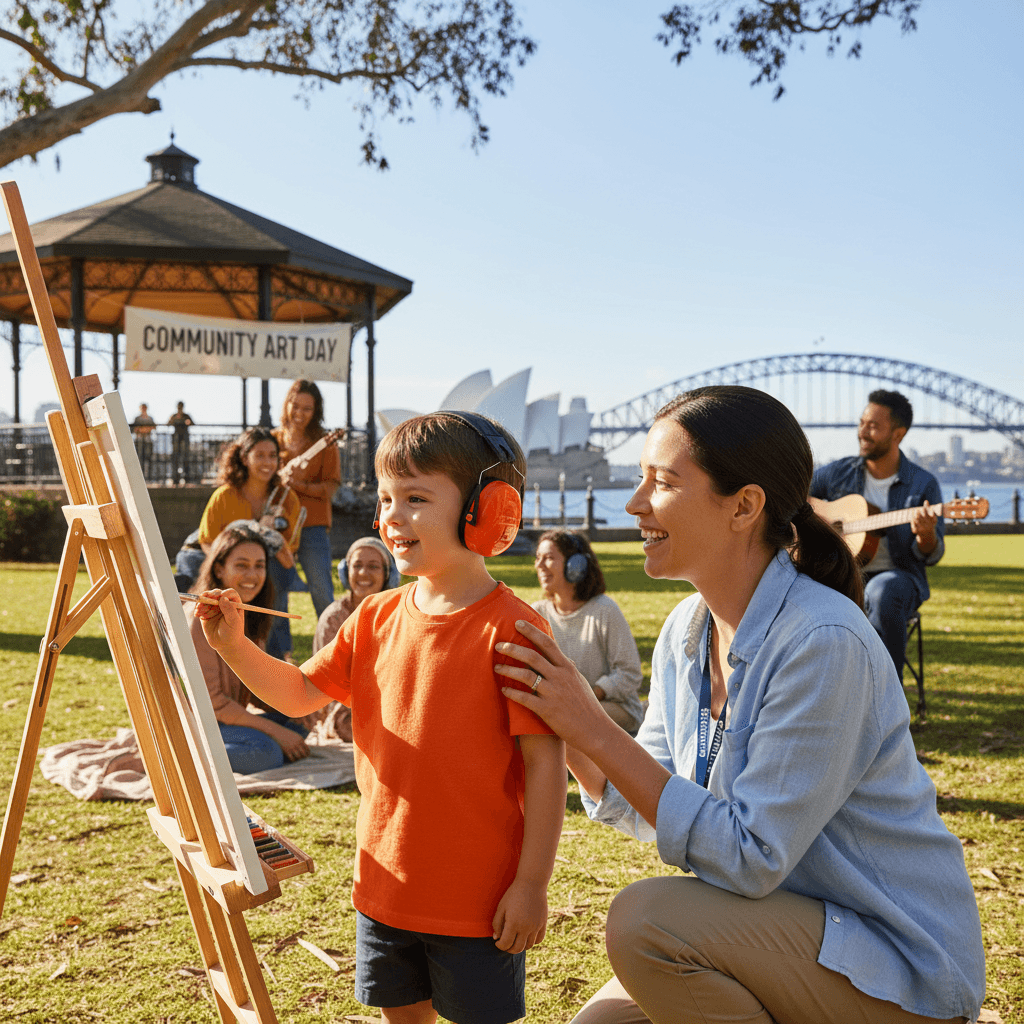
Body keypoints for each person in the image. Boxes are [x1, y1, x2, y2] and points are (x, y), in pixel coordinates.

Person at [495, 385, 984, 1024]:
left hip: (898, 965)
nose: (635, 503)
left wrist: (590, 721)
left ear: (745, 504)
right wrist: (557, 716)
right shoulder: (687, 629)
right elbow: (648, 799)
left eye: (662, 482)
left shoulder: (821, 640)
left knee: (644, 923)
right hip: (786, 932)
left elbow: (751, 856)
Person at [194, 411, 567, 1024]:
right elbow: (297, 695)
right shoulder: (369, 618)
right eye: (386, 497)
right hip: (383, 886)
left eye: (416, 497)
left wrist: (531, 886)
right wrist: (234, 645)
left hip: (482, 901)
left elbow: (546, 769)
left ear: (489, 509)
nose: (391, 515)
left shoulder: (516, 629)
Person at [810, 389, 943, 680]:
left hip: (899, 577)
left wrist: (925, 535)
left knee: (882, 592)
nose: (863, 432)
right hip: (840, 573)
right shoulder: (838, 473)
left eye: (873, 426)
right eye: (862, 423)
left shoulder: (923, 484)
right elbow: (795, 499)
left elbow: (932, 553)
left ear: (898, 434)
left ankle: (885, 695)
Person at [189, 522, 310, 772]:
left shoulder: (246, 613)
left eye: (259, 566)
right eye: (241, 565)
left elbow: (252, 684)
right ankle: (182, 761)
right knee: (267, 752)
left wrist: (293, 704)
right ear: (220, 569)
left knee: (298, 723)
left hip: (227, 722)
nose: (252, 576)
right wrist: (276, 732)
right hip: (197, 725)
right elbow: (212, 704)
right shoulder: (200, 617)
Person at [196, 427, 302, 661]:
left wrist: (272, 532)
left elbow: (289, 552)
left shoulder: (287, 498)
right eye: (260, 455)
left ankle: (275, 655)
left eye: (273, 456)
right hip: (228, 565)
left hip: (270, 566)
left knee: (274, 577)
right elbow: (207, 541)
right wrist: (230, 566)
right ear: (244, 458)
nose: (268, 462)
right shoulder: (224, 496)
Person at [532, 530, 644, 735]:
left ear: (576, 565)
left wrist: (587, 696)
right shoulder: (537, 613)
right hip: (562, 708)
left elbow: (629, 673)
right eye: (538, 558)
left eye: (548, 558)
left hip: (614, 707)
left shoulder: (605, 610)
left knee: (570, 719)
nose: (539, 565)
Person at [310, 536, 401, 742]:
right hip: (345, 707)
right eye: (357, 565)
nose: (363, 573)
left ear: (388, 574)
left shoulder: (398, 612)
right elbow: (327, 683)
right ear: (345, 572)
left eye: (373, 566)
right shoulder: (333, 618)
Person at [274, 380, 342, 622]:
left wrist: (299, 485)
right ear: (286, 405)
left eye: (307, 409)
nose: (300, 413)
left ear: (316, 412)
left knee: (321, 589)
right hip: (278, 526)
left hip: (312, 525)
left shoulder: (326, 443)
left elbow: (330, 488)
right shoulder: (273, 439)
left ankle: (335, 645)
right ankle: (278, 652)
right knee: (275, 591)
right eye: (295, 406)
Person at [167, 401, 195, 485]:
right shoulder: (174, 416)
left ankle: (186, 477)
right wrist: (172, 420)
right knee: (175, 458)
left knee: (185, 458)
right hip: (176, 440)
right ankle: (175, 477)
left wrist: (188, 422)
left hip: (184, 440)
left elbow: (193, 424)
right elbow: (168, 424)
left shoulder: (186, 416)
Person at [131, 402, 156, 479]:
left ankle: (149, 477)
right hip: (139, 440)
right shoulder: (137, 418)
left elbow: (154, 427)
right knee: (139, 459)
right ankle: (140, 477)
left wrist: (146, 429)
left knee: (148, 459)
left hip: (148, 440)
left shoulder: (150, 418)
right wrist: (141, 429)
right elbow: (133, 429)